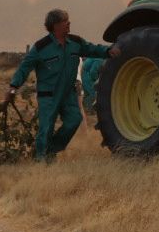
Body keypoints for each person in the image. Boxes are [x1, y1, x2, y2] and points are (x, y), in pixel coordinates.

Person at [7, 9, 119, 161]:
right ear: (55, 25)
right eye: (65, 21)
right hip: (49, 95)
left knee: (74, 120)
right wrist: (13, 87)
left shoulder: (76, 42)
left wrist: (108, 51)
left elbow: (91, 49)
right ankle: (41, 160)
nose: (69, 24)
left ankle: (51, 149)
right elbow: (24, 68)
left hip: (68, 93)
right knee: (46, 128)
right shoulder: (41, 47)